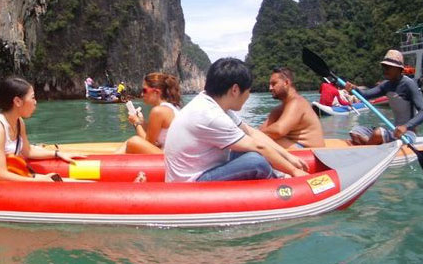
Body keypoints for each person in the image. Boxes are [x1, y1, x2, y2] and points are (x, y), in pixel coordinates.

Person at [164, 58, 308, 182]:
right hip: (191, 183)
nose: (248, 96)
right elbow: (258, 147)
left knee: (247, 150)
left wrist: (288, 156)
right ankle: (281, 183)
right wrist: (293, 171)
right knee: (256, 161)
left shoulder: (212, 103)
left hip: (203, 169)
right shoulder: (210, 115)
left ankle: (280, 174)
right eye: (248, 91)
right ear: (235, 90)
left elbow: (251, 132)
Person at [0, 77, 79, 181]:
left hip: (15, 178)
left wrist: (57, 154)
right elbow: (1, 174)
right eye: (32, 98)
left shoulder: (19, 122)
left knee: (80, 182)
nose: (35, 102)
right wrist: (37, 181)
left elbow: (27, 151)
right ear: (17, 101)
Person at [344, 49, 423, 145]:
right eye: (384, 66)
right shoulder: (386, 85)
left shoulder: (409, 84)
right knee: (355, 132)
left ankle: (367, 147)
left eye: (388, 67)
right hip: (393, 130)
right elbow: (365, 95)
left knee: (378, 134)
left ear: (398, 68)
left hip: (407, 133)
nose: (385, 69)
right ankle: (372, 144)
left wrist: (405, 126)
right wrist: (354, 89)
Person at [260, 67, 325, 148]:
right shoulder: (278, 110)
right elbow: (262, 130)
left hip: (309, 151)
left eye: (274, 84)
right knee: (261, 138)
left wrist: (254, 134)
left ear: (286, 82)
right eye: (269, 84)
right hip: (294, 146)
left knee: (267, 139)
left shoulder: (298, 103)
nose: (270, 88)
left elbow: (278, 131)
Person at [119, 72, 181, 154]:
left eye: (144, 90)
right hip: (170, 155)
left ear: (156, 92)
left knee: (134, 141)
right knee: (129, 143)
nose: (141, 94)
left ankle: (107, 164)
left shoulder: (159, 111)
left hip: (168, 159)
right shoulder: (173, 108)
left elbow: (148, 144)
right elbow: (154, 135)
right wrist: (142, 122)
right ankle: (109, 162)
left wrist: (136, 123)